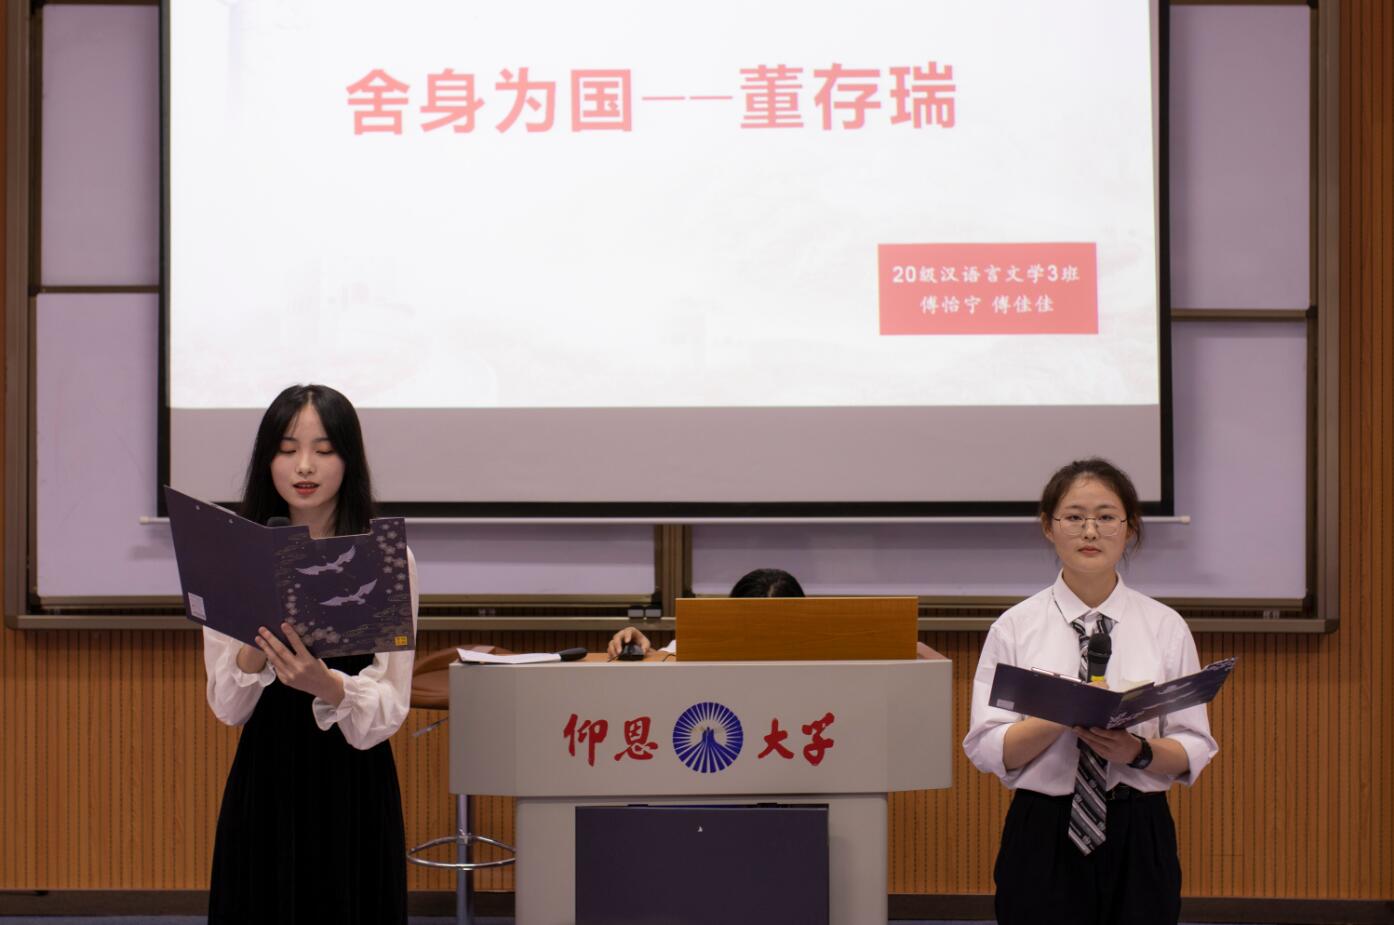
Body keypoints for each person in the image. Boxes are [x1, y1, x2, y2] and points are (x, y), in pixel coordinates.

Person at [962, 458, 1217, 925]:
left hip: (1139, 827)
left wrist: (1136, 751)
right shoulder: (1015, 627)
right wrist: (1057, 714)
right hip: (1043, 827)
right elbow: (988, 747)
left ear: (1130, 527)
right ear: (1049, 527)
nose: (1090, 531)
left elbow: (1194, 745)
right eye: (1074, 517)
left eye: (1106, 517)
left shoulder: (1165, 627)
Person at [201, 384, 415, 925]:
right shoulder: (233, 557)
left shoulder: (388, 558)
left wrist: (327, 684)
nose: (304, 466)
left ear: (349, 459)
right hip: (267, 774)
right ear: (266, 460)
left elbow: (391, 705)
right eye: (287, 449)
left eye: (323, 450)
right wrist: (255, 643)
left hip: (352, 782)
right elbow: (228, 707)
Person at [605, 567, 805, 658]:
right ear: (734, 618)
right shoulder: (712, 641)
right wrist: (641, 650)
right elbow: (668, 659)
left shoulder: (817, 652)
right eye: (754, 627)